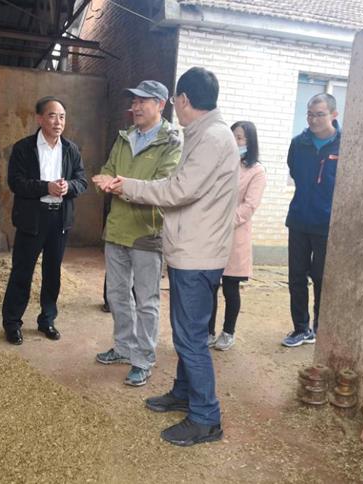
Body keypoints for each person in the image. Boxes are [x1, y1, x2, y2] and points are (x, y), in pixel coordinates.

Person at [102, 67, 239, 446]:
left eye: (175, 100)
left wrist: (126, 186)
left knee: (191, 338)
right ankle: (183, 392)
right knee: (186, 334)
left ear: (182, 100)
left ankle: (206, 418)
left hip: (198, 253)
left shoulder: (212, 137)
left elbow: (178, 190)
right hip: (190, 249)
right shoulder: (203, 134)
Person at [91, 80, 181, 387]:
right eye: (134, 100)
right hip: (117, 227)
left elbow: (163, 186)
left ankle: (143, 358)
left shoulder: (171, 143)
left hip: (146, 231)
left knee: (146, 300)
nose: (136, 106)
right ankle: (123, 347)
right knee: (117, 295)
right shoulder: (124, 137)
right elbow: (107, 170)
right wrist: (109, 182)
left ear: (161, 104)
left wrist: (122, 186)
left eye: (144, 100)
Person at [1, 96, 88, 345]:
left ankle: (47, 320)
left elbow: (82, 181)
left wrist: (68, 186)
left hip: (59, 219)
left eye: (62, 117)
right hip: (32, 219)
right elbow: (16, 182)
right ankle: (12, 323)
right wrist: (45, 187)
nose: (58, 122)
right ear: (39, 119)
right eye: (52, 116)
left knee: (52, 273)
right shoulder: (23, 148)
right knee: (22, 271)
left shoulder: (71, 149)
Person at [281, 93, 340, 348]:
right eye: (310, 114)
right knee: (296, 277)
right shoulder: (299, 144)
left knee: (321, 278)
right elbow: (295, 171)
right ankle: (300, 328)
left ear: (334, 115)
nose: (313, 120)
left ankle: (319, 328)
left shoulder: (343, 145)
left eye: (320, 114)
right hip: (299, 220)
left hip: (327, 224)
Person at [208, 121, 267, 351]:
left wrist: (225, 222)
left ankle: (228, 332)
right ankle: (207, 331)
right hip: (212, 234)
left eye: (240, 138)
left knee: (230, 288)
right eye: (232, 136)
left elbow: (249, 205)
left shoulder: (256, 171)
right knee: (210, 286)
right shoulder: (221, 164)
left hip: (235, 233)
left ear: (250, 142)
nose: (235, 141)